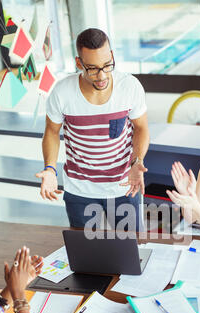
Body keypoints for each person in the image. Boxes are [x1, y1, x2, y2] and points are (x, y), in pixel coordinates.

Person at [36, 28, 149, 232]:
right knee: (87, 257)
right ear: (79, 64)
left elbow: (141, 128)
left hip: (124, 186)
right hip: (79, 190)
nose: (102, 75)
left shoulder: (130, 87)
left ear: (112, 55)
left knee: (131, 252)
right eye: (93, 68)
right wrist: (50, 169)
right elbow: (52, 131)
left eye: (107, 65)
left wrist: (137, 161)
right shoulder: (62, 92)